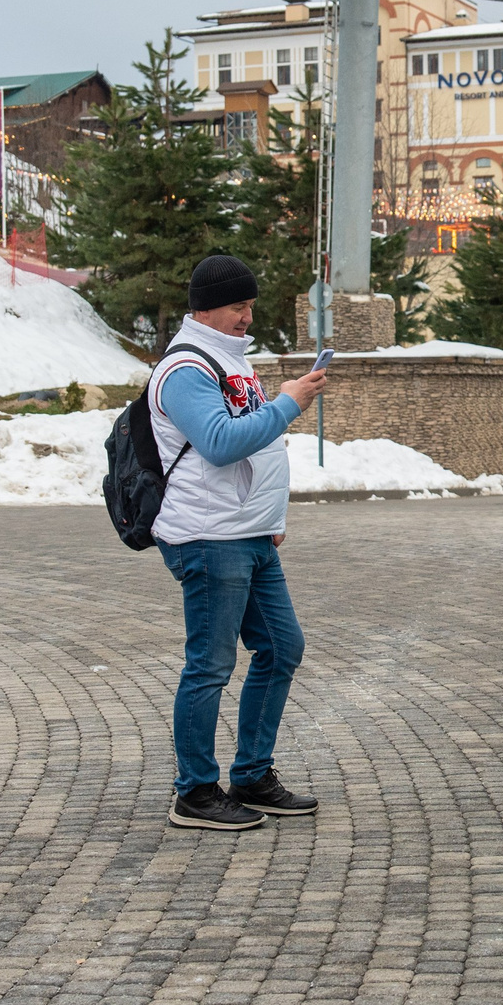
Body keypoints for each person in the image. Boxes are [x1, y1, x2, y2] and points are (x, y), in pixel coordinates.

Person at [149, 253, 331, 831]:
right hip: (207, 537)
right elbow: (221, 443)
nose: (247, 317)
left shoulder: (231, 363)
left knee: (281, 648)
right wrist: (288, 403)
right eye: (237, 306)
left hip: (249, 533)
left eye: (250, 306)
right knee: (210, 665)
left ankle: (251, 775)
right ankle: (195, 793)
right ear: (205, 308)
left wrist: (269, 513)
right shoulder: (185, 370)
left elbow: (257, 451)